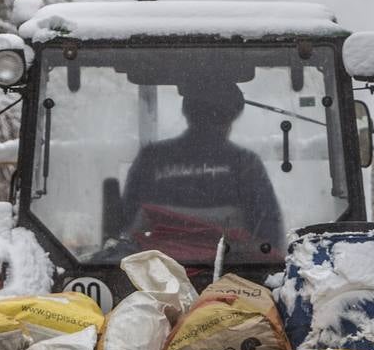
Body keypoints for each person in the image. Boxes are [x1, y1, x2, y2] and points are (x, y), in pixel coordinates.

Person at [119, 81, 284, 260]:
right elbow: (270, 240)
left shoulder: (150, 159)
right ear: (232, 116)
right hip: (234, 279)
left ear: (187, 111)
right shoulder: (246, 164)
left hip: (154, 279)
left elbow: (124, 229)